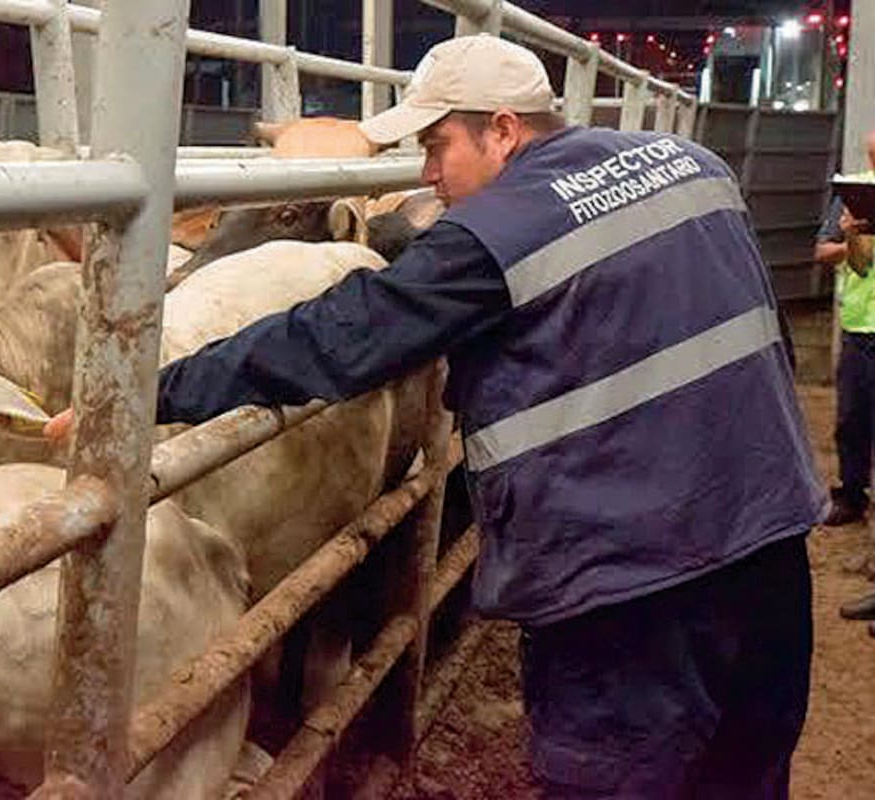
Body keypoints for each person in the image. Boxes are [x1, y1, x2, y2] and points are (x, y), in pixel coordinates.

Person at [47, 35, 825, 799]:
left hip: (625, 597)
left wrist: (147, 394)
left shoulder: (498, 231)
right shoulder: (696, 167)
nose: (425, 174)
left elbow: (341, 335)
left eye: (438, 144)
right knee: (746, 773)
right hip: (770, 549)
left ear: (504, 131)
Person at [814, 130, 875, 526]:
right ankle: (852, 495)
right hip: (861, 323)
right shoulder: (854, 194)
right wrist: (852, 234)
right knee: (853, 417)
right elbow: (824, 251)